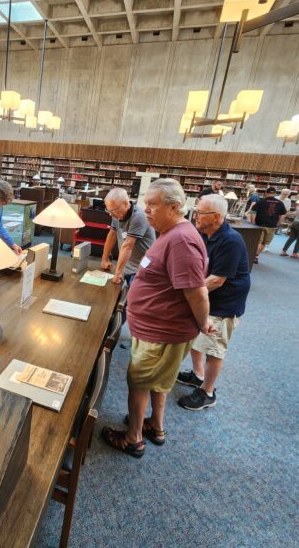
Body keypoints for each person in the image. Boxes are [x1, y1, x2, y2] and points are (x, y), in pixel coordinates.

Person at [100, 179, 213, 458]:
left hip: (162, 332)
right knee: (157, 381)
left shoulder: (182, 240)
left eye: (153, 204)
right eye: (145, 203)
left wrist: (203, 323)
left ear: (175, 207)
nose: (146, 209)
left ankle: (133, 438)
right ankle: (155, 426)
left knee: (139, 381)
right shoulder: (169, 232)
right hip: (157, 329)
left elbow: (196, 292)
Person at [176, 194, 251, 411]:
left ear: (216, 216)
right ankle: (198, 375)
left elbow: (217, 280)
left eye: (200, 213)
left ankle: (208, 391)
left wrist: (188, 294)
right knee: (197, 336)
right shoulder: (205, 233)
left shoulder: (231, 240)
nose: (195, 216)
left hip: (225, 303)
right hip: (208, 297)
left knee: (215, 347)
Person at [100, 187, 156, 286]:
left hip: (141, 269)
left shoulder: (139, 216)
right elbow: (112, 235)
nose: (110, 214)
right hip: (127, 265)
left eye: (113, 210)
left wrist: (118, 272)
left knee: (131, 298)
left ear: (125, 204)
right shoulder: (116, 215)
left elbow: (128, 246)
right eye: (108, 210)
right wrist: (104, 259)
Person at [249, 187, 287, 263]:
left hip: (260, 224)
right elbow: (283, 215)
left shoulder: (261, 202)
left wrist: (253, 223)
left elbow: (253, 212)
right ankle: (256, 256)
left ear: (266, 193)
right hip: (272, 226)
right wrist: (278, 223)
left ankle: (253, 256)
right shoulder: (280, 203)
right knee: (264, 243)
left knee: (258, 241)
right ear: (275, 194)